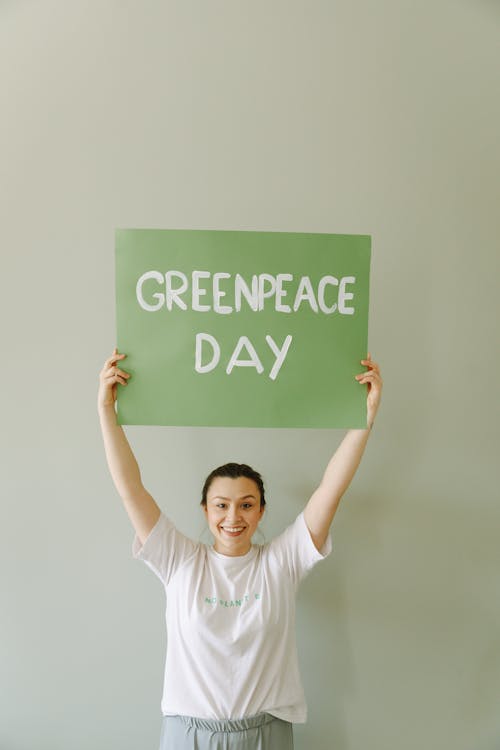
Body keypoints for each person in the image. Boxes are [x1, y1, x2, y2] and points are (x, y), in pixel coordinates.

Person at [98, 348, 383, 750]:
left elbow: (330, 490)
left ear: (262, 511)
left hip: (266, 734)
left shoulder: (282, 562)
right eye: (221, 505)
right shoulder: (179, 560)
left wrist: (365, 418)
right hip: (188, 734)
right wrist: (107, 413)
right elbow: (131, 490)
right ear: (205, 508)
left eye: (246, 504)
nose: (233, 516)